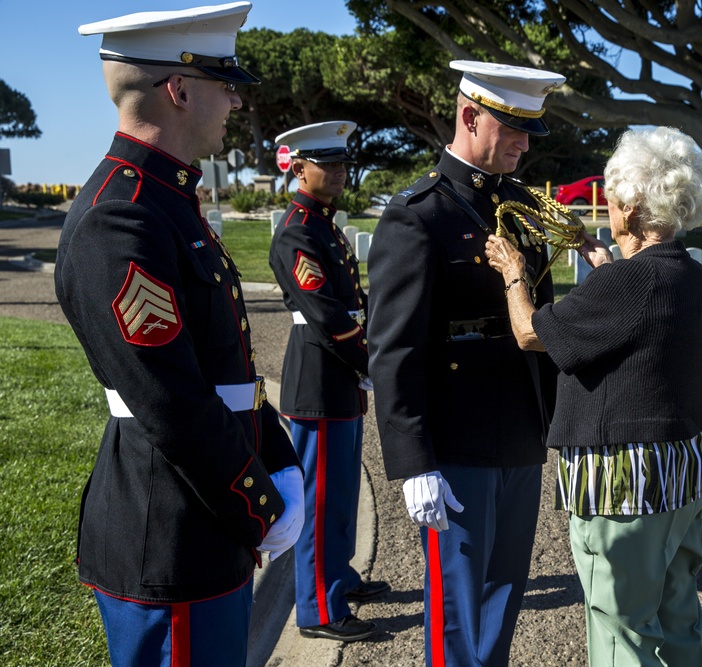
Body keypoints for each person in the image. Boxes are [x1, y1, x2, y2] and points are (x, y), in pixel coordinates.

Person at [54, 4, 304, 666]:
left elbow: (228, 370)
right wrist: (258, 503)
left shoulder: (164, 200)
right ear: (180, 90)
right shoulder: (122, 218)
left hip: (201, 519)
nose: (234, 99)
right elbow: (172, 400)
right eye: (226, 83)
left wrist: (276, 455)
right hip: (174, 528)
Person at [484, 126, 702, 667]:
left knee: (620, 626)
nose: (606, 207)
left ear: (632, 206)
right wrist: (608, 266)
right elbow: (643, 317)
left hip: (627, 484)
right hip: (684, 472)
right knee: (678, 610)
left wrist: (514, 274)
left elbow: (530, 333)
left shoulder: (628, 285)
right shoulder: (691, 276)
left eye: (612, 198)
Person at [367, 60, 569, 666]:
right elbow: (394, 346)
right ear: (469, 115)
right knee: (457, 616)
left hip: (519, 434)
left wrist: (561, 423)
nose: (524, 143)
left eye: (529, 129)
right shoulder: (419, 213)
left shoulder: (522, 209)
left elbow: (545, 320)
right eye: (511, 127)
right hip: (456, 445)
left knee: (504, 599)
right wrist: (413, 461)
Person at [268, 120, 389, 642]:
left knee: (340, 493)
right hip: (320, 374)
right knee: (318, 501)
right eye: (328, 164)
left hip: (337, 375)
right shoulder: (298, 229)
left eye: (343, 163)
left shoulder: (323, 224)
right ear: (298, 168)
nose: (340, 172)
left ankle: (339, 579)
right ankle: (318, 608)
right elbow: (328, 317)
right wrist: (371, 362)